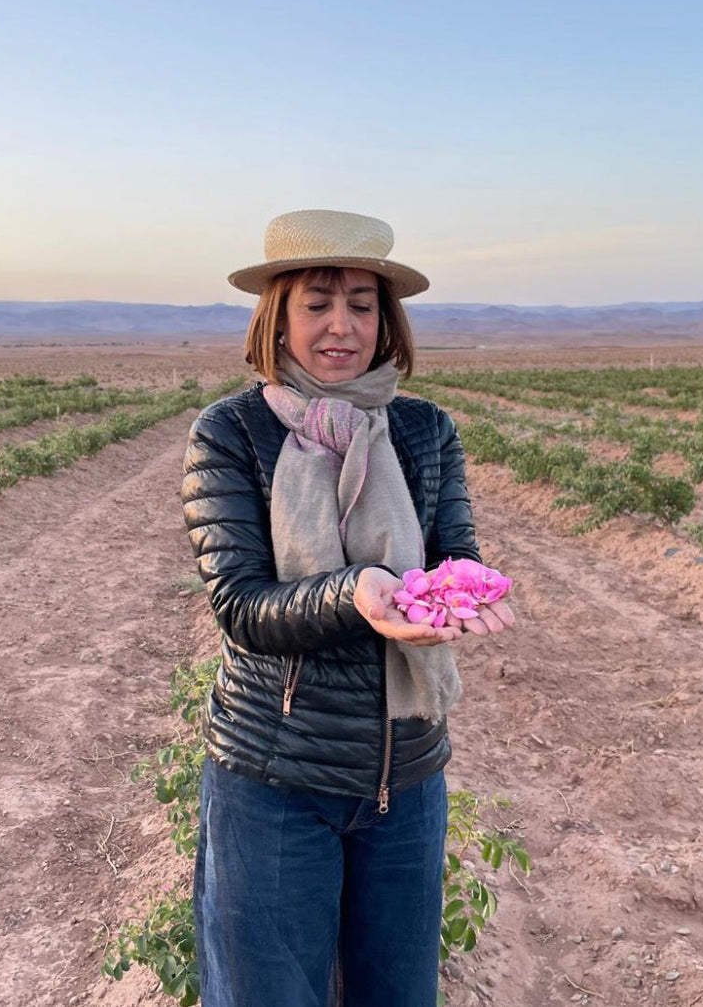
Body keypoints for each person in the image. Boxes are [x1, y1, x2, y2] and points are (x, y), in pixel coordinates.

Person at [181, 209, 514, 1007]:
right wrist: (359, 594)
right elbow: (241, 605)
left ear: (386, 318)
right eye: (318, 303)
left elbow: (450, 546)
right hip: (273, 775)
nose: (342, 326)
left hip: (407, 771)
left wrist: (464, 585)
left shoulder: (425, 429)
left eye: (362, 304)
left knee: (397, 994)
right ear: (279, 317)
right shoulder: (232, 432)